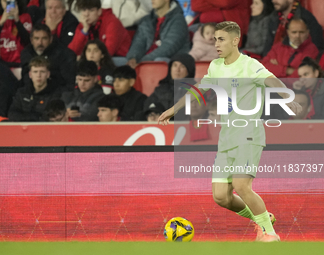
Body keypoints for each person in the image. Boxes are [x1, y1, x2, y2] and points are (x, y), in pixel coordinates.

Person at [158, 21, 302, 242]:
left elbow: (271, 79)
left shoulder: (250, 65)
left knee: (241, 185)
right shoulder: (216, 66)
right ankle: (261, 219)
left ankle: (270, 233)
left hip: (249, 134)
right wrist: (173, 109)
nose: (216, 43)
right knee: (221, 197)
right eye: (215, 39)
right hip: (226, 138)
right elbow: (198, 90)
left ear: (236, 41)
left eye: (221, 39)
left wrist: (287, 97)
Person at [126, 0, 190, 68]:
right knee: (119, 61)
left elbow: (168, 47)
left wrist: (143, 62)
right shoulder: (146, 20)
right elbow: (138, 42)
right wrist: (133, 58)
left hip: (172, 63)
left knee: (159, 61)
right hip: (144, 61)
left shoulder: (178, 21)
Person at [20, 23, 77, 90]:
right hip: (32, 92)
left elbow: (68, 81)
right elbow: (26, 78)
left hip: (56, 93)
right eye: (36, 38)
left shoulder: (63, 54)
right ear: (31, 40)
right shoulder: (26, 53)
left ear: (50, 39)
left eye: (44, 38)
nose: (40, 43)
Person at [8, 56, 61, 121]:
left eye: (42, 72)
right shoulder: (21, 92)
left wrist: (26, 116)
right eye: (35, 72)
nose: (38, 75)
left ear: (48, 74)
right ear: (30, 75)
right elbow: (12, 114)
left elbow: (50, 117)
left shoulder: (55, 94)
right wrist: (35, 116)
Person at [0, 0, 32, 67]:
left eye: (10, 1)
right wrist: (2, 22)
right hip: (4, 63)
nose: (7, 5)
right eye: (5, 1)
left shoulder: (25, 17)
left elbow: (27, 41)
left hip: (23, 62)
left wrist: (17, 20)